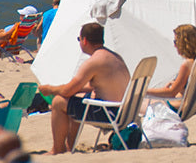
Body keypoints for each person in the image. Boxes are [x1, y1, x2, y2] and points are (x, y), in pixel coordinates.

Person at [39, 22, 132, 155]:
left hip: (110, 114)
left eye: (79, 39)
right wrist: (73, 90)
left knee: (59, 102)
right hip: (125, 111)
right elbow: (93, 85)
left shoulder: (94, 62)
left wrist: (49, 89)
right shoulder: (114, 57)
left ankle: (57, 149)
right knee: (77, 99)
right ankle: (69, 146)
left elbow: (67, 91)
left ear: (85, 40)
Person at [145, 24, 196, 108]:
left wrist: (144, 91)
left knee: (139, 104)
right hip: (193, 105)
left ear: (184, 43)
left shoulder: (187, 64)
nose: (175, 45)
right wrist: (177, 85)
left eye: (176, 42)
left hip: (178, 106)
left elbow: (171, 93)